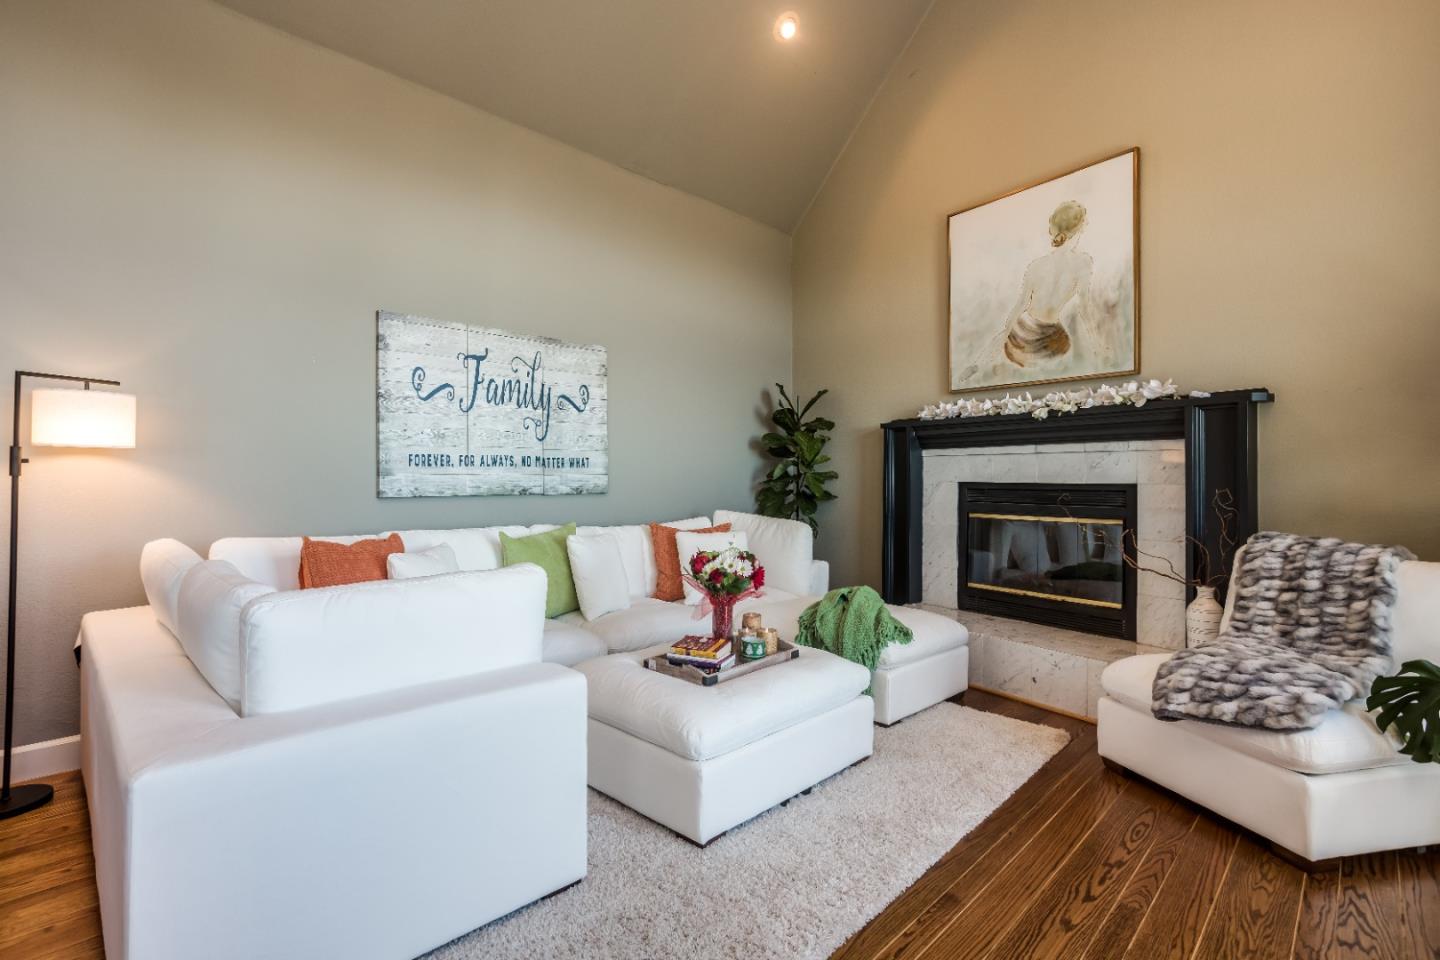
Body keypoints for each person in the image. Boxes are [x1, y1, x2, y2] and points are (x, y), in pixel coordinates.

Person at [955, 200, 1101, 386]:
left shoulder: (1037, 266)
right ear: (1080, 227)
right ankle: (977, 366)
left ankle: (976, 366)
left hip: (1024, 332)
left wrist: (1005, 334)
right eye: (1085, 222)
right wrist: (1097, 344)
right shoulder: (1083, 263)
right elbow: (1084, 308)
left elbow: (1019, 307)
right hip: (1047, 340)